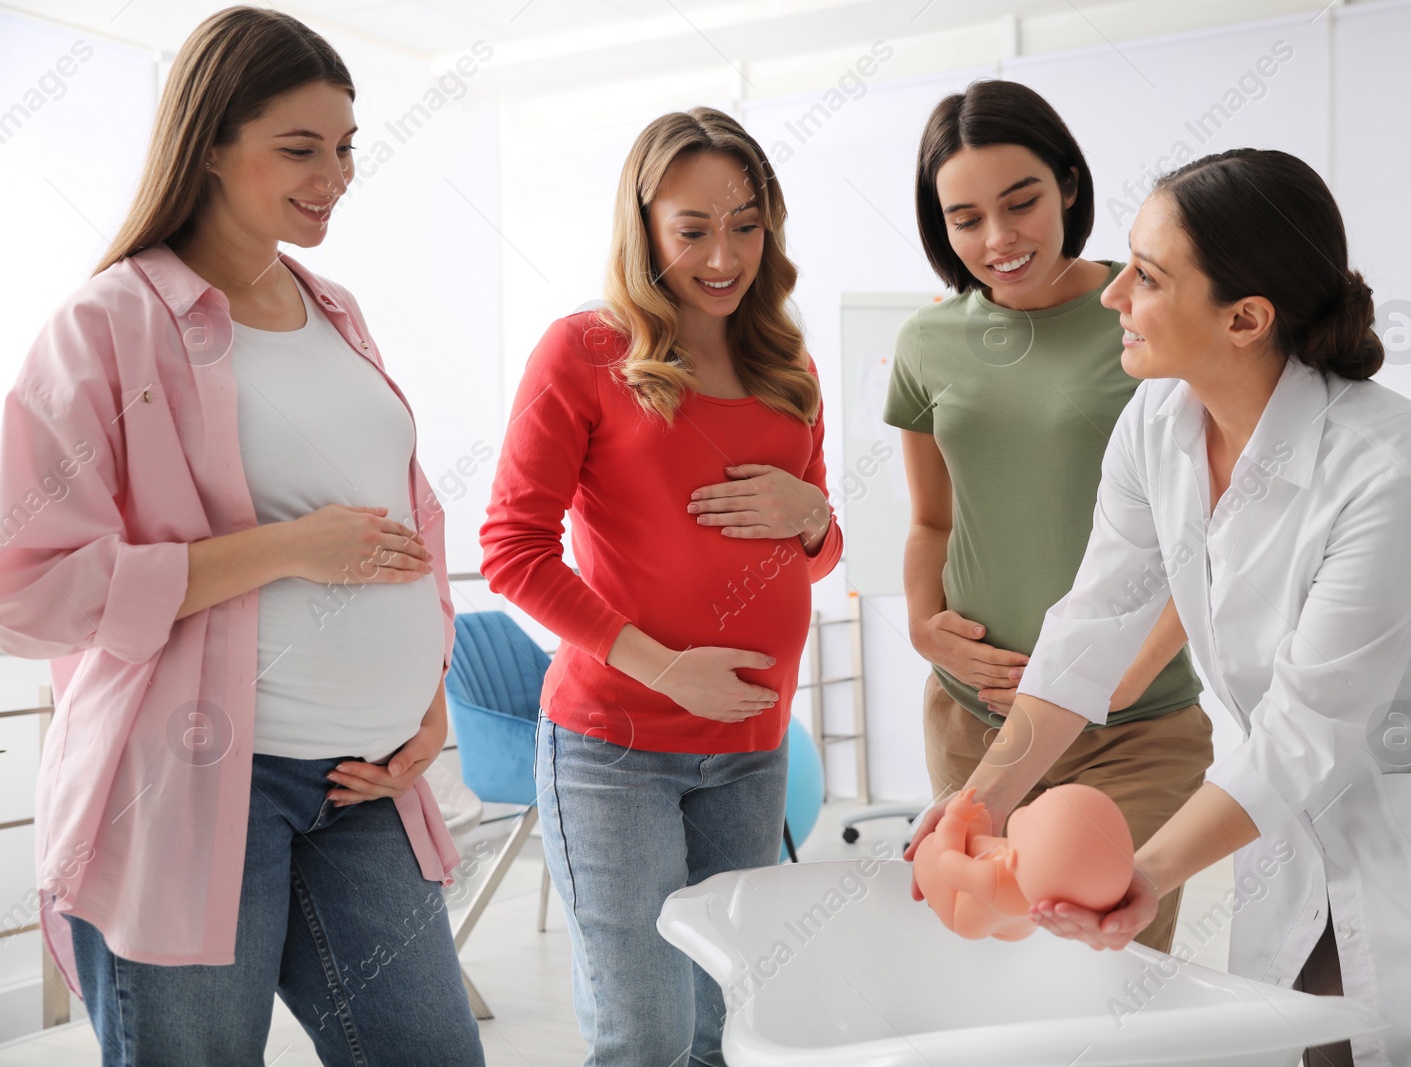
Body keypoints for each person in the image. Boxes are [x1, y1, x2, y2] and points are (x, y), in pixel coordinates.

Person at [908, 147, 1411, 1066]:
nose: (1113, 295)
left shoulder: (1390, 470)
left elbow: (1309, 727)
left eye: (1147, 277)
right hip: (1296, 824)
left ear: (1245, 317)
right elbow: (1093, 626)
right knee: (1309, 1041)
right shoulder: (1158, 423)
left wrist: (1144, 872)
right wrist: (982, 797)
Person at [0, 8, 484, 1064]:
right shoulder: (108, 324)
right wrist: (284, 549)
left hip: (367, 782)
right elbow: (22, 587)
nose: (337, 173)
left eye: (347, 145)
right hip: (192, 786)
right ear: (211, 143)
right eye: (301, 149)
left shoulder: (335, 307)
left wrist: (429, 700)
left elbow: (404, 517)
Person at [480, 107, 842, 1066]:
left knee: (726, 1025)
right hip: (613, 750)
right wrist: (663, 667)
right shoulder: (584, 352)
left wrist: (809, 514)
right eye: (692, 230)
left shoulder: (788, 366)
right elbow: (513, 547)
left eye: (746, 224)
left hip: (753, 747)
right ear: (643, 226)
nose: (723, 256)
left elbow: (824, 546)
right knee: (644, 1032)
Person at [885, 79, 1207, 951]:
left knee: (1107, 965)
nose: (998, 239)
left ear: (1069, 182)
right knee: (998, 974)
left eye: (1021, 201)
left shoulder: (1149, 324)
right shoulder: (926, 344)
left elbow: (1205, 532)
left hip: (1134, 727)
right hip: (975, 719)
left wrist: (1132, 671)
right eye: (964, 217)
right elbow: (929, 523)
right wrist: (923, 628)